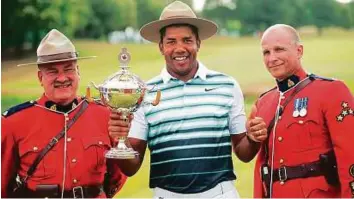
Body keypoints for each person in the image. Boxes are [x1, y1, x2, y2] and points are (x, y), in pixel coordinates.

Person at [108, 1, 267, 198]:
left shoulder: (226, 85)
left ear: (198, 43)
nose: (180, 48)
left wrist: (252, 138)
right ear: (161, 46)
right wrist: (119, 140)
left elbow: (244, 153)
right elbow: (131, 168)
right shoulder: (145, 93)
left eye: (187, 40)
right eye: (171, 42)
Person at [1, 29, 127, 198]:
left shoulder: (104, 114)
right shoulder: (14, 122)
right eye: (53, 71)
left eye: (69, 69)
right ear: (40, 77)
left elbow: (118, 175)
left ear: (78, 72)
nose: (62, 78)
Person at [252, 24, 354, 198]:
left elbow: (350, 154)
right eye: (266, 52)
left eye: (279, 50)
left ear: (299, 51)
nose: (272, 58)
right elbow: (262, 166)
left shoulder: (331, 91)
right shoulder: (264, 102)